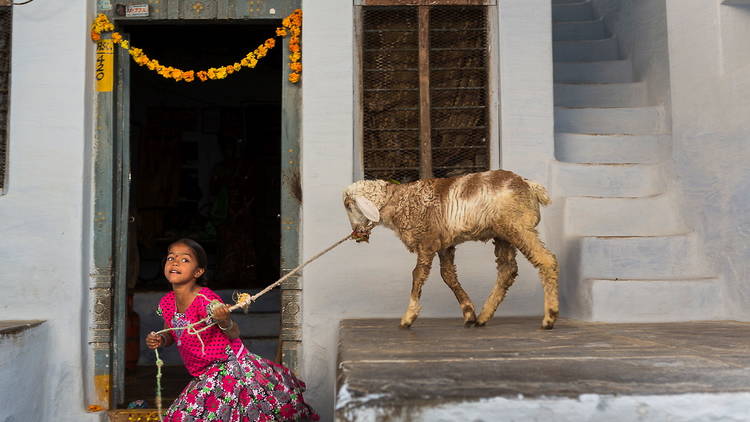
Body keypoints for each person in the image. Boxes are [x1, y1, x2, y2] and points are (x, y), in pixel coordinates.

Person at [146, 238, 319, 421]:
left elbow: (233, 332)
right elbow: (171, 333)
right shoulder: (166, 302)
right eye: (170, 257)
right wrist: (161, 340)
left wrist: (224, 320)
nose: (174, 262)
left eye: (184, 260)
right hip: (203, 372)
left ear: (198, 271)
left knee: (185, 416)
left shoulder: (205, 300)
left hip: (228, 367)